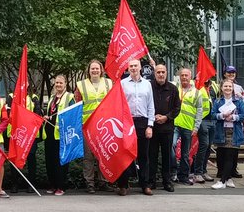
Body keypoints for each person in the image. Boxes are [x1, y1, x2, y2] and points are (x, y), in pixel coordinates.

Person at [75, 60, 113, 193]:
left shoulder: (109, 83)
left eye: (97, 68)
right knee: (89, 157)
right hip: (87, 126)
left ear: (101, 70)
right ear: (89, 71)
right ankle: (89, 183)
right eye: (92, 69)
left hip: (104, 126)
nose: (95, 71)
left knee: (103, 154)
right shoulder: (81, 85)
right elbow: (77, 105)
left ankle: (104, 182)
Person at [121, 59, 155, 195]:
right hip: (127, 123)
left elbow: (151, 106)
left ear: (140, 67)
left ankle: (145, 185)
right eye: (131, 66)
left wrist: (150, 126)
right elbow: (120, 104)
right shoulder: (122, 84)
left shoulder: (147, 84)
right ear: (128, 68)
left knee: (143, 155)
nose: (133, 68)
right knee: (125, 154)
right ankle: (123, 184)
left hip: (142, 122)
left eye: (136, 66)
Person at [40, 75, 74, 195]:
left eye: (60, 83)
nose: (58, 85)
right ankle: (52, 184)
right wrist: (46, 116)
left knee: (61, 161)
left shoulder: (70, 97)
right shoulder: (52, 98)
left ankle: (61, 186)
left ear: (65, 84)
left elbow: (72, 114)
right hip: (50, 132)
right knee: (50, 159)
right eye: (56, 83)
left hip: (62, 134)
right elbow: (51, 112)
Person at [210, 79, 244, 189]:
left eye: (230, 87)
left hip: (234, 131)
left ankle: (222, 182)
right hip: (221, 131)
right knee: (221, 156)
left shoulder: (238, 101)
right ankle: (228, 178)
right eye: (225, 86)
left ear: (233, 88)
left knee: (229, 157)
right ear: (221, 88)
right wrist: (221, 115)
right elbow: (212, 115)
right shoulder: (217, 102)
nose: (228, 88)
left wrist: (233, 117)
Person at [149, 63, 180, 192]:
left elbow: (177, 108)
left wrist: (166, 117)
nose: (161, 74)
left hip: (167, 128)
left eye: (163, 72)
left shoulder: (173, 89)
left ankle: (167, 182)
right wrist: (153, 117)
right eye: (158, 72)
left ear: (166, 73)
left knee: (167, 156)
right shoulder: (149, 87)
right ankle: (151, 182)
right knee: (152, 156)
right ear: (154, 73)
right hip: (152, 127)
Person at [173, 68, 206, 186]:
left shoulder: (196, 92)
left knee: (185, 153)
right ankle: (173, 172)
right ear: (179, 77)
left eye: (186, 75)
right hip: (174, 124)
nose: (184, 77)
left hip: (188, 126)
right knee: (171, 148)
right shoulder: (175, 89)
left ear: (190, 76)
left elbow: (199, 111)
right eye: (182, 75)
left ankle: (183, 176)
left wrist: (196, 127)